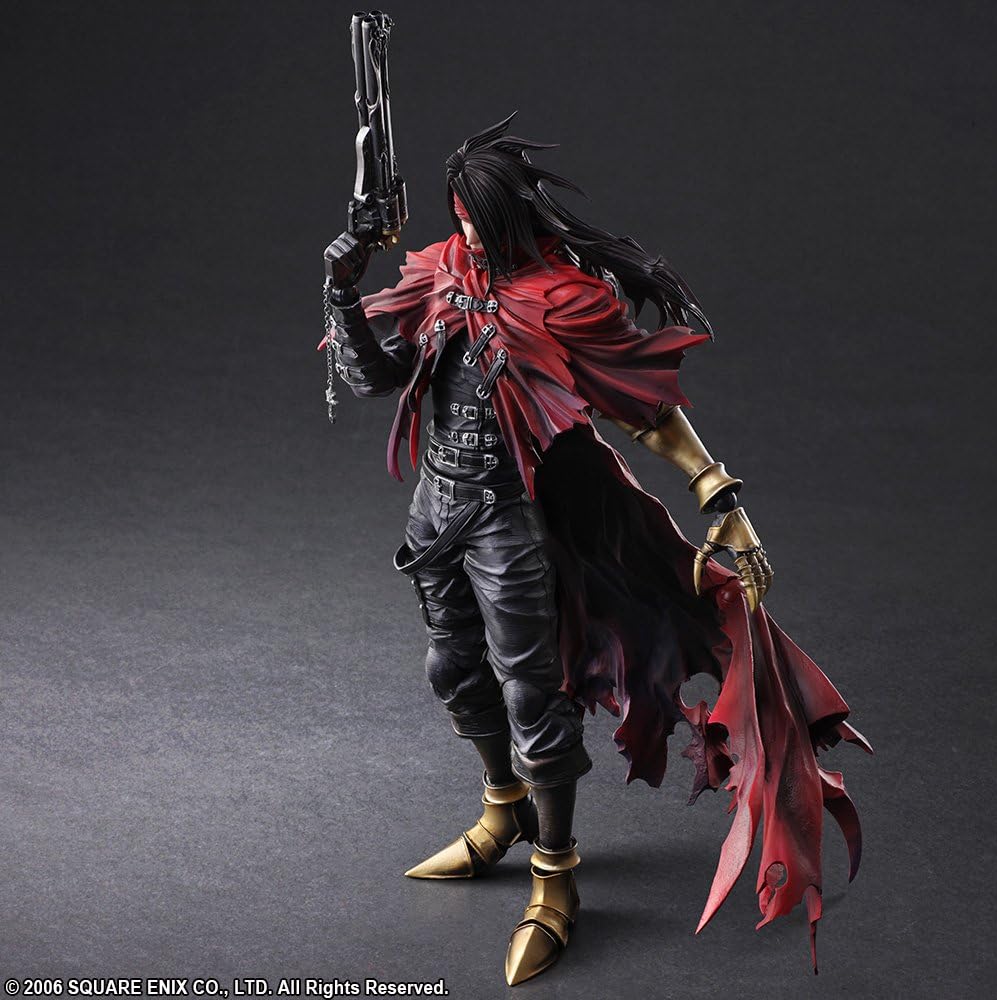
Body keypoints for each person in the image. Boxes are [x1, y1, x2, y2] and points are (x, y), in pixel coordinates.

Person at [321, 114, 869, 986]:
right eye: (460, 217)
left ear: (509, 217)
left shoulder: (565, 297)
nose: (468, 234)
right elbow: (374, 377)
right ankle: (502, 811)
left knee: (533, 698)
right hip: (435, 511)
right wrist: (342, 287)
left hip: (509, 520)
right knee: (450, 670)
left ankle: (555, 877)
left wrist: (717, 493)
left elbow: (643, 405)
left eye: (480, 221)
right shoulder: (439, 274)